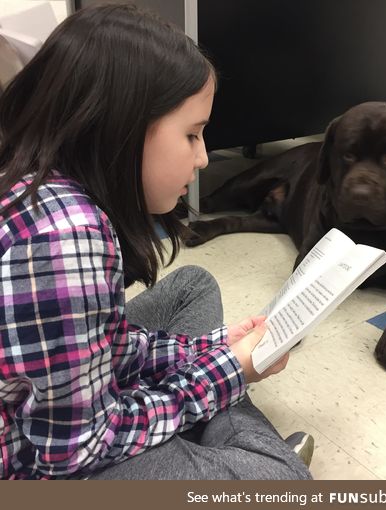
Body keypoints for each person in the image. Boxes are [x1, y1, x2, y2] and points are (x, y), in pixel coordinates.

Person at [0, 4, 313, 480]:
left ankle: (217, 431)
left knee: (193, 285)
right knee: (282, 479)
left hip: (58, 401)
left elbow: (106, 343)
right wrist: (229, 373)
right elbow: (77, 450)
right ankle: (254, 451)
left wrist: (210, 349)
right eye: (192, 135)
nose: (204, 158)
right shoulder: (65, 241)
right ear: (121, 127)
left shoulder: (40, 181)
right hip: (37, 461)